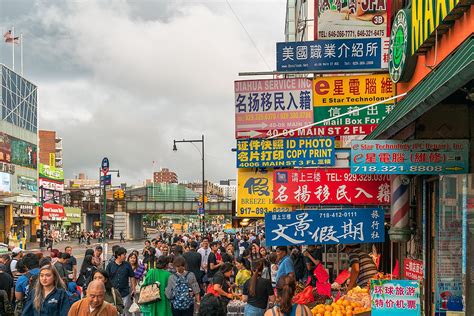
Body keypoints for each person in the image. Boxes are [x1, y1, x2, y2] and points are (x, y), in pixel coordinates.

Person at [105, 247, 136, 312]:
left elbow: (132, 276)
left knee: (123, 310)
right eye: (124, 255)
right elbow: (106, 278)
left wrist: (133, 289)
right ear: (118, 256)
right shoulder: (110, 265)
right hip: (113, 293)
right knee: (114, 310)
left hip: (125, 292)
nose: (125, 256)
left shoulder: (127, 265)